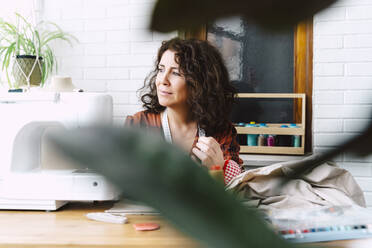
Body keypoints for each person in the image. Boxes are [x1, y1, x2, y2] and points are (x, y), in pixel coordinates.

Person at [125, 38, 243, 185]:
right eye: (161, 70)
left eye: (176, 73)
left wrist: (217, 169)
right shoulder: (139, 125)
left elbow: (230, 197)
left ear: (200, 82)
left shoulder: (221, 132)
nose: (163, 80)